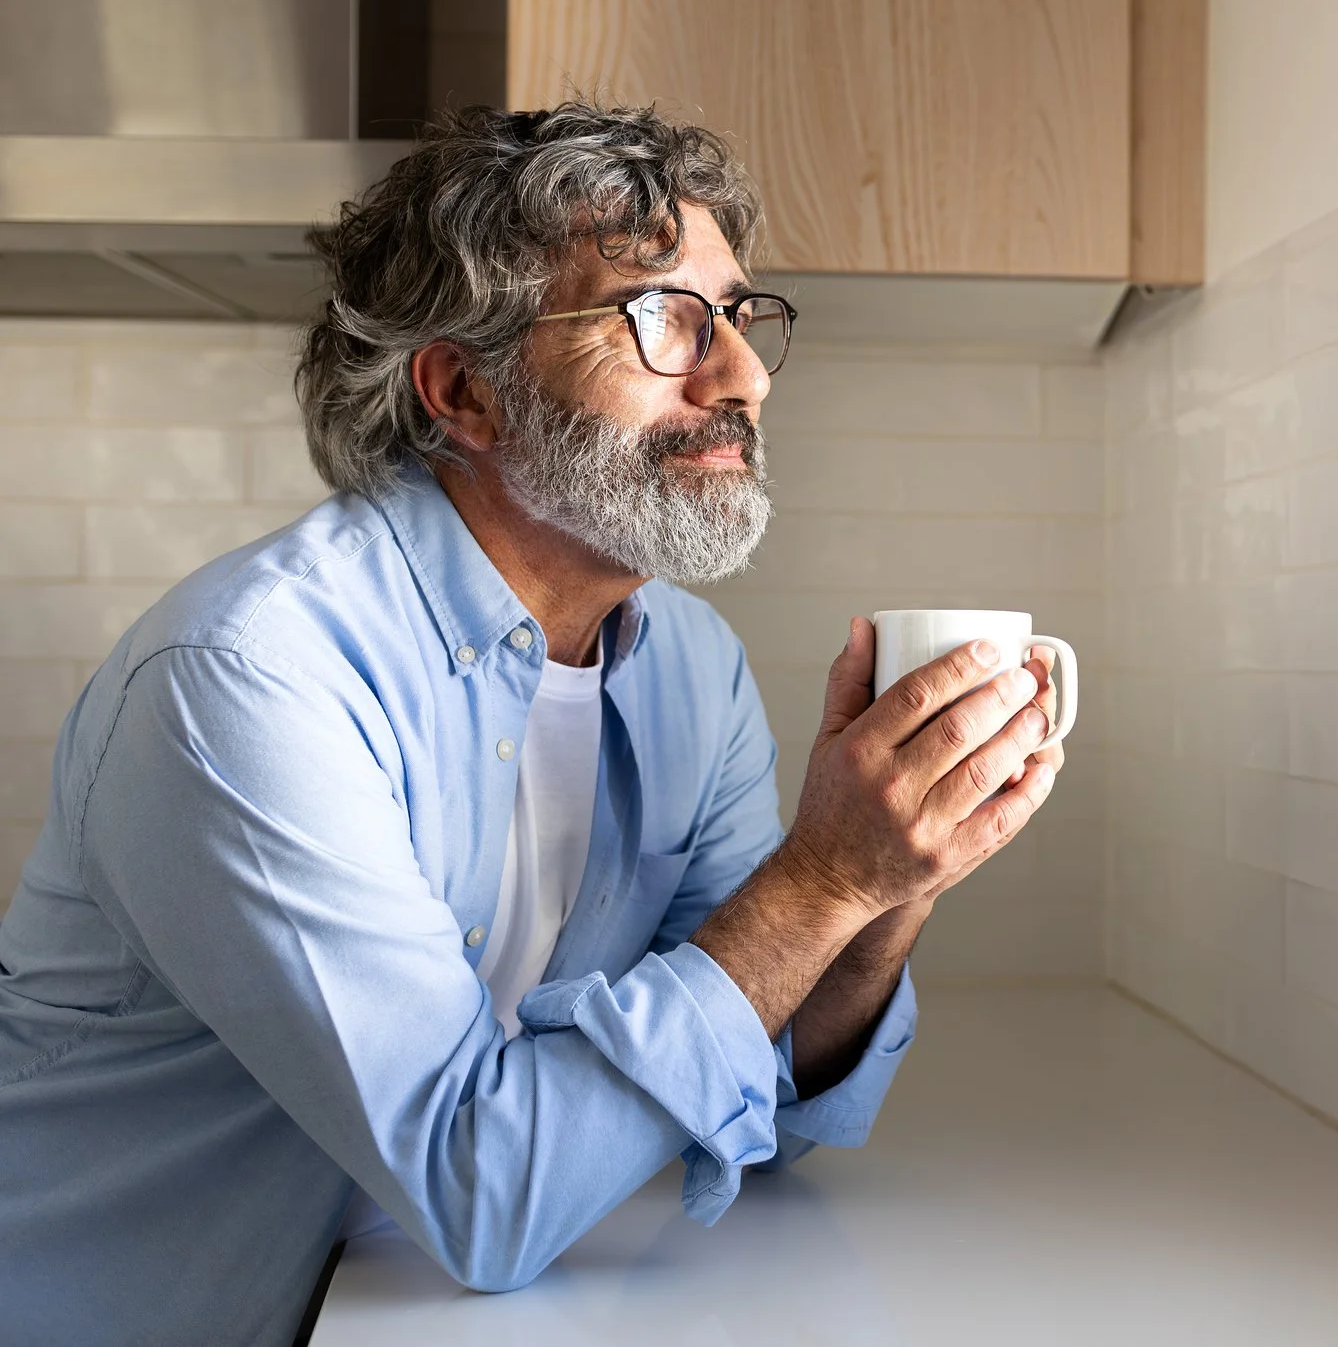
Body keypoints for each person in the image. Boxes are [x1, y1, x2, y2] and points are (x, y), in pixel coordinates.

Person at [0, 102, 1064, 1346]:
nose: (744, 373)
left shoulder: (686, 670)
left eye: (736, 314)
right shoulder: (249, 678)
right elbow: (481, 1186)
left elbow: (764, 1105)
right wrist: (824, 877)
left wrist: (897, 878)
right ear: (467, 390)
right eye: (663, 318)